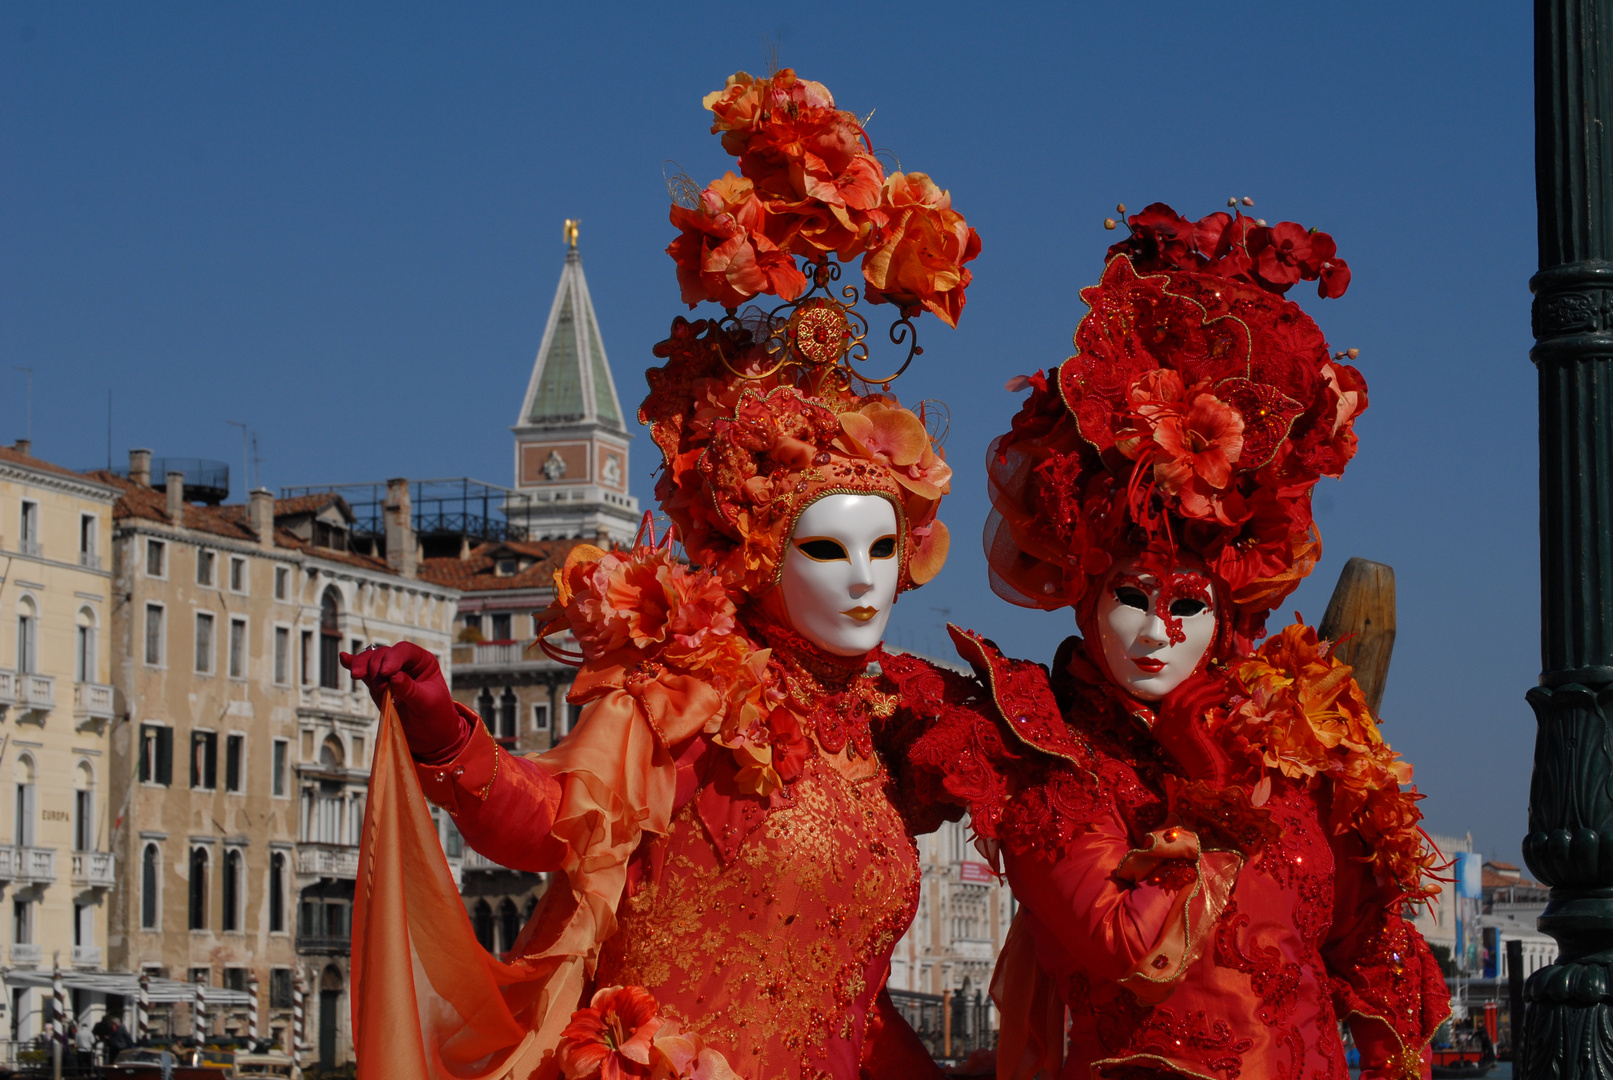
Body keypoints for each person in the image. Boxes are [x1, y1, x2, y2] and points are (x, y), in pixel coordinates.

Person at [346, 66, 979, 1080]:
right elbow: (552, 824)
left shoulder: (885, 732)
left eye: (882, 548)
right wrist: (443, 728)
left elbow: (845, 1000)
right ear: (759, 556)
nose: (865, 579)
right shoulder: (689, 695)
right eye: (826, 547)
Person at [887, 204, 1451, 1080]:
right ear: (1083, 595)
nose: (1156, 632)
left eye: (1187, 605)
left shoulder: (1290, 751)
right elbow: (1127, 942)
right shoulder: (1040, 752)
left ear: (1228, 614)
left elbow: (1361, 946)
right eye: (1130, 598)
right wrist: (1213, 799)